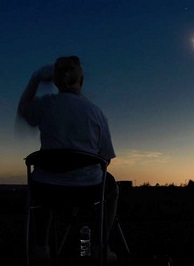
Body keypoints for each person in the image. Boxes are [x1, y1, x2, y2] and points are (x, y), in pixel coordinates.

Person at [18, 56, 119, 263]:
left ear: (55, 80)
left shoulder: (46, 106)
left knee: (39, 186)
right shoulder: (96, 114)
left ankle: (41, 247)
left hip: (47, 189)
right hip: (87, 190)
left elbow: (24, 109)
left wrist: (35, 79)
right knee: (111, 188)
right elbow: (106, 158)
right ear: (81, 79)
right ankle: (99, 245)